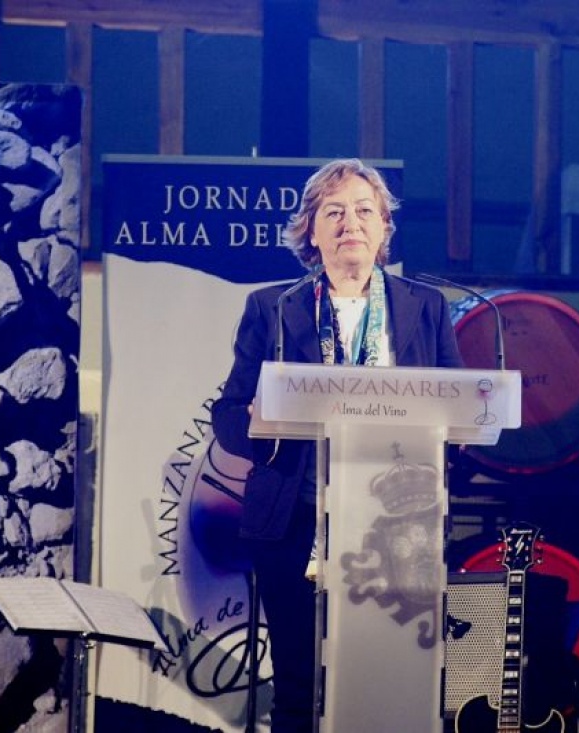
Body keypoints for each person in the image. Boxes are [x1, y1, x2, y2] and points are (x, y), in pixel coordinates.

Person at [210, 158, 465, 733]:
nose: (351, 222)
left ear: (383, 231)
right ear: (311, 231)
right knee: (299, 688)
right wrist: (256, 421)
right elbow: (227, 415)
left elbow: (461, 407)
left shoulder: (426, 307)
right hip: (294, 521)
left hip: (396, 528)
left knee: (395, 689)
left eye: (364, 211)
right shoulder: (273, 307)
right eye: (334, 212)